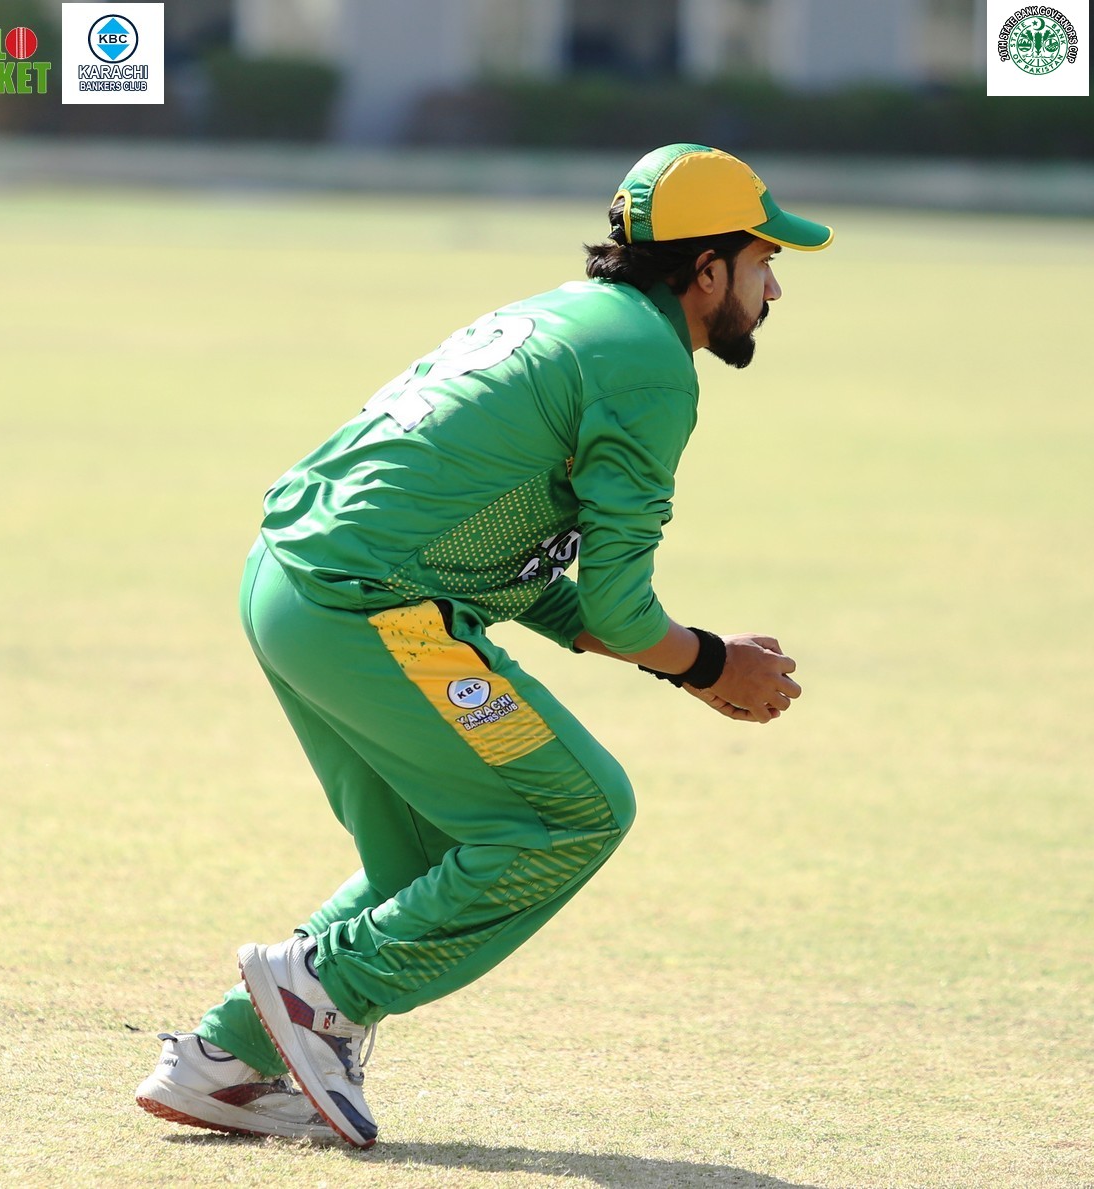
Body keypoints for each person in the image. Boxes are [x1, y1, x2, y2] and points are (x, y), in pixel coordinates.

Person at [134, 143, 834, 1147]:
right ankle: (322, 995)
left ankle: (225, 1057)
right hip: (370, 608)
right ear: (707, 268)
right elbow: (620, 607)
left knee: (426, 857)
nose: (775, 289)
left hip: (290, 586)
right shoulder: (648, 363)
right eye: (765, 262)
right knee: (577, 811)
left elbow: (515, 567)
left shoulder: (565, 316)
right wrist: (712, 662)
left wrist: (688, 661)